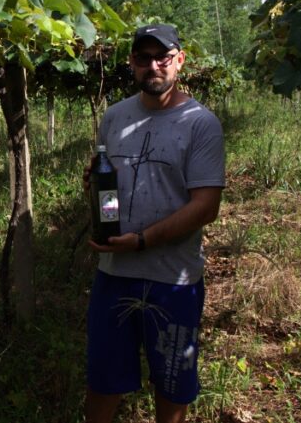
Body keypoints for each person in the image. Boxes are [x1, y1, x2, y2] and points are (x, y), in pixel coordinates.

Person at [82, 24, 225, 423]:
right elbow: (105, 184)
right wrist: (92, 187)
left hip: (173, 281)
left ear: (180, 61)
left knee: (172, 384)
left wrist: (142, 241)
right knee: (103, 381)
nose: (153, 66)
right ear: (132, 63)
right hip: (113, 274)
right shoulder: (114, 117)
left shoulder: (201, 124)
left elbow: (206, 206)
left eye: (162, 57)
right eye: (143, 58)